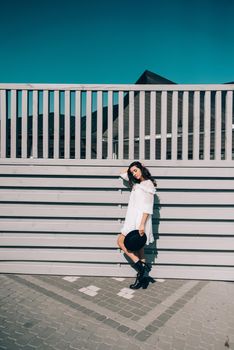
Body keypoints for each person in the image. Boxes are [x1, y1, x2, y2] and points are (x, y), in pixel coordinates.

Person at [117, 161, 156, 289]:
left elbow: (148, 207)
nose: (134, 173)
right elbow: (122, 173)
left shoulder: (148, 185)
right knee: (140, 249)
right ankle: (143, 274)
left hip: (139, 221)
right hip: (132, 218)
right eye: (132, 172)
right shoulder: (136, 183)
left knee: (120, 242)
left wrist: (142, 225)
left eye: (136, 170)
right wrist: (131, 168)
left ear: (142, 169)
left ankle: (141, 270)